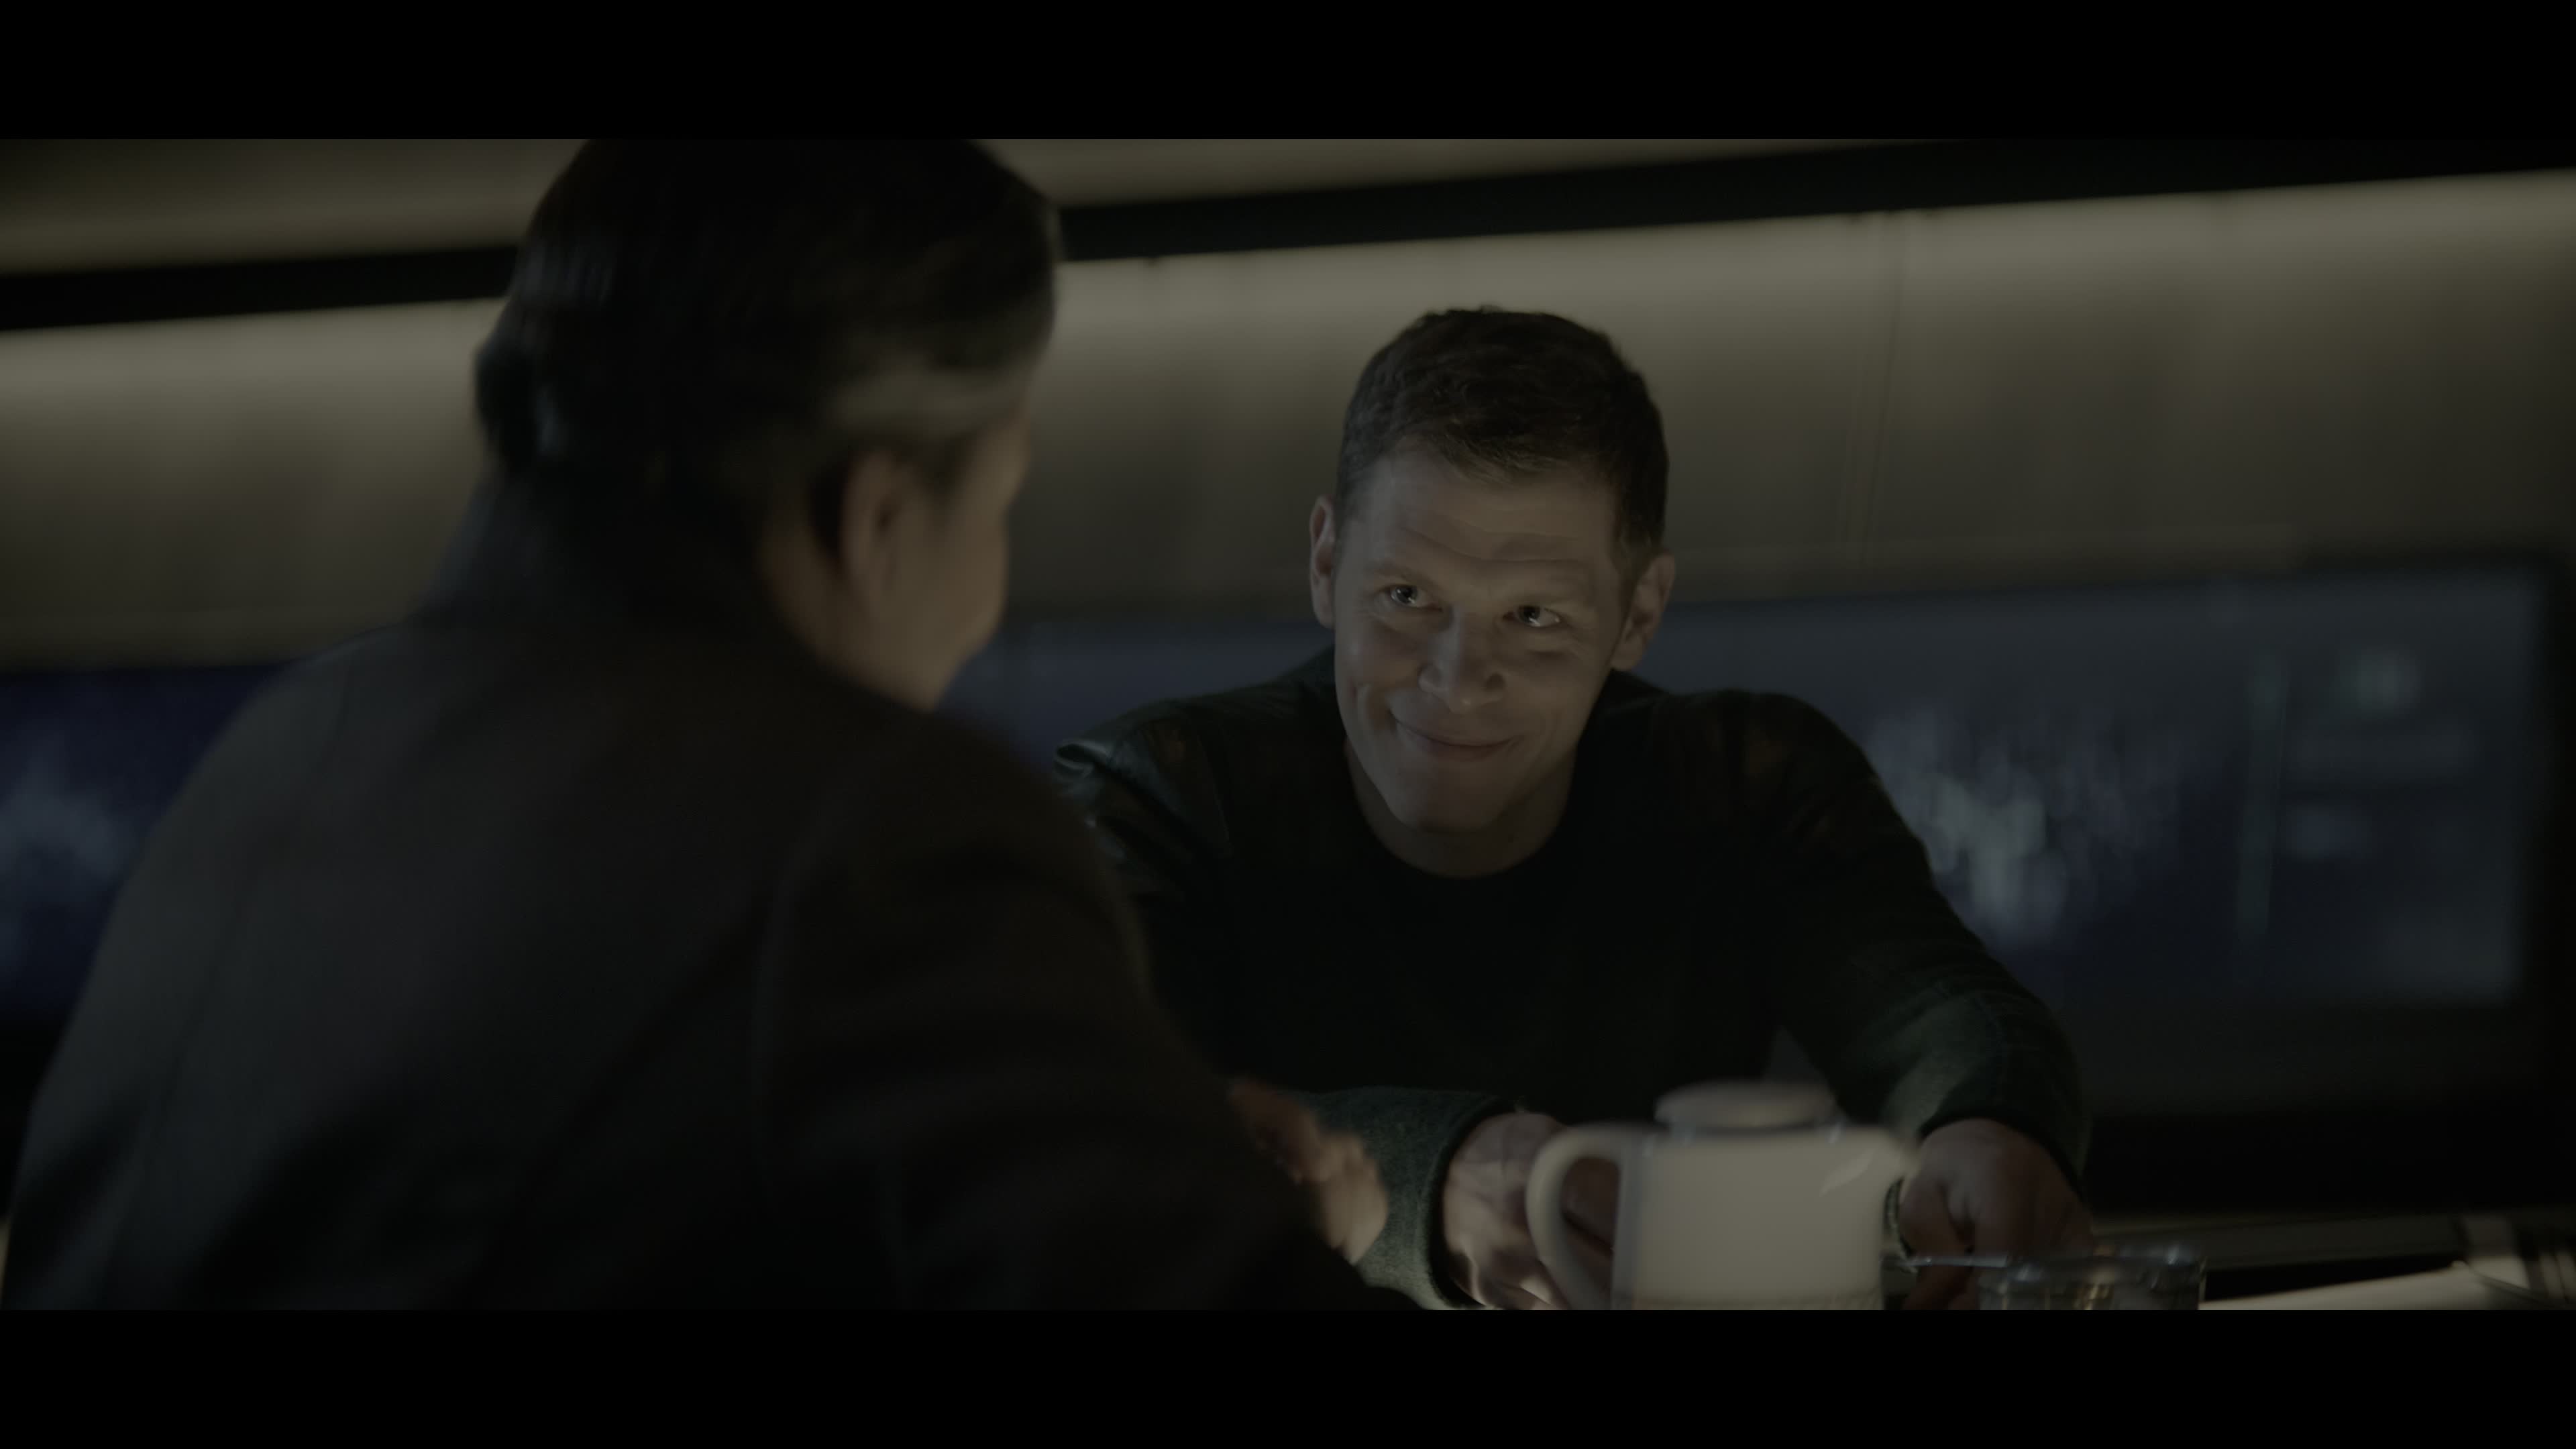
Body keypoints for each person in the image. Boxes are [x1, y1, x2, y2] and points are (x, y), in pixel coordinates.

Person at [2, 141, 1397, 1309]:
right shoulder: (871, 825)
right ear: (877, 516)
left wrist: (1102, 1141)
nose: (988, 596)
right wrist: (1255, 1240)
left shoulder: (274, 764)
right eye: (1001, 506)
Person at [1057, 308, 2094, 1311]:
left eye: (1534, 616)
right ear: (1328, 564)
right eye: (1407, 598)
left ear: (1638, 613)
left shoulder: (1744, 786)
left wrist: (1989, 1125)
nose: (1457, 680)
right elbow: (1090, 1131)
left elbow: (1939, 1011)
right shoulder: (1160, 798)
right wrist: (1430, 1178)